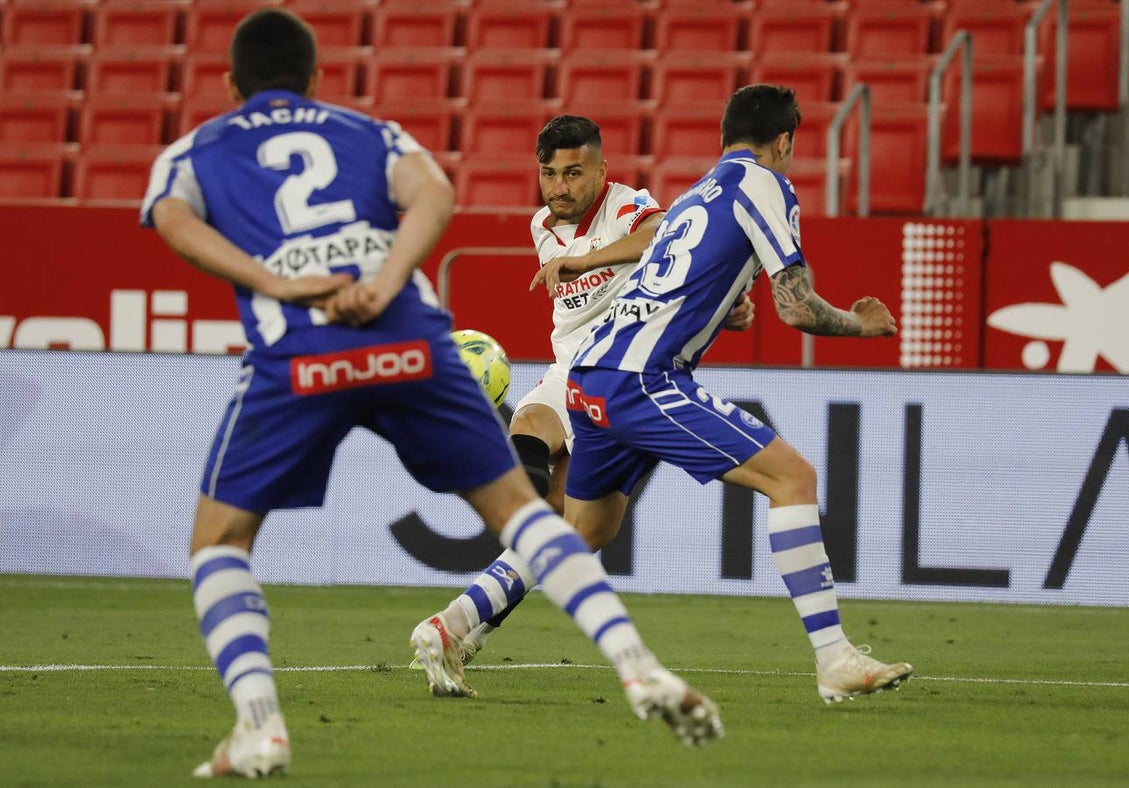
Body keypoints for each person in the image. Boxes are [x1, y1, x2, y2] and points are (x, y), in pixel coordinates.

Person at [141, 10, 722, 778]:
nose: (559, 185)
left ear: (228, 84)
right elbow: (436, 196)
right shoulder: (375, 135)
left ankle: (258, 726)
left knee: (219, 542)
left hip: (300, 342)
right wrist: (383, 282)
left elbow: (170, 220)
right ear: (318, 80)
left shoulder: (196, 148)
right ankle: (638, 665)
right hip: (414, 332)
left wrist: (274, 281)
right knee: (538, 515)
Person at [429, 84, 914, 705]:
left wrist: (723, 310)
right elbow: (795, 307)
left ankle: (454, 625)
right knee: (793, 479)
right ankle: (835, 658)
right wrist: (859, 324)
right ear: (785, 142)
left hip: (590, 376)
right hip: (641, 380)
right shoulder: (765, 186)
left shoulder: (692, 198)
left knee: (582, 530)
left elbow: (677, 281)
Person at [411, 115, 754, 667]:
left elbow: (664, 237)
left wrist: (586, 260)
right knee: (527, 431)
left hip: (626, 371)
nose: (559, 187)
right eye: (549, 173)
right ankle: (457, 627)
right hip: (569, 366)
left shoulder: (624, 205)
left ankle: (463, 622)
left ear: (602, 170)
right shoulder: (541, 226)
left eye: (574, 173)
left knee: (578, 536)